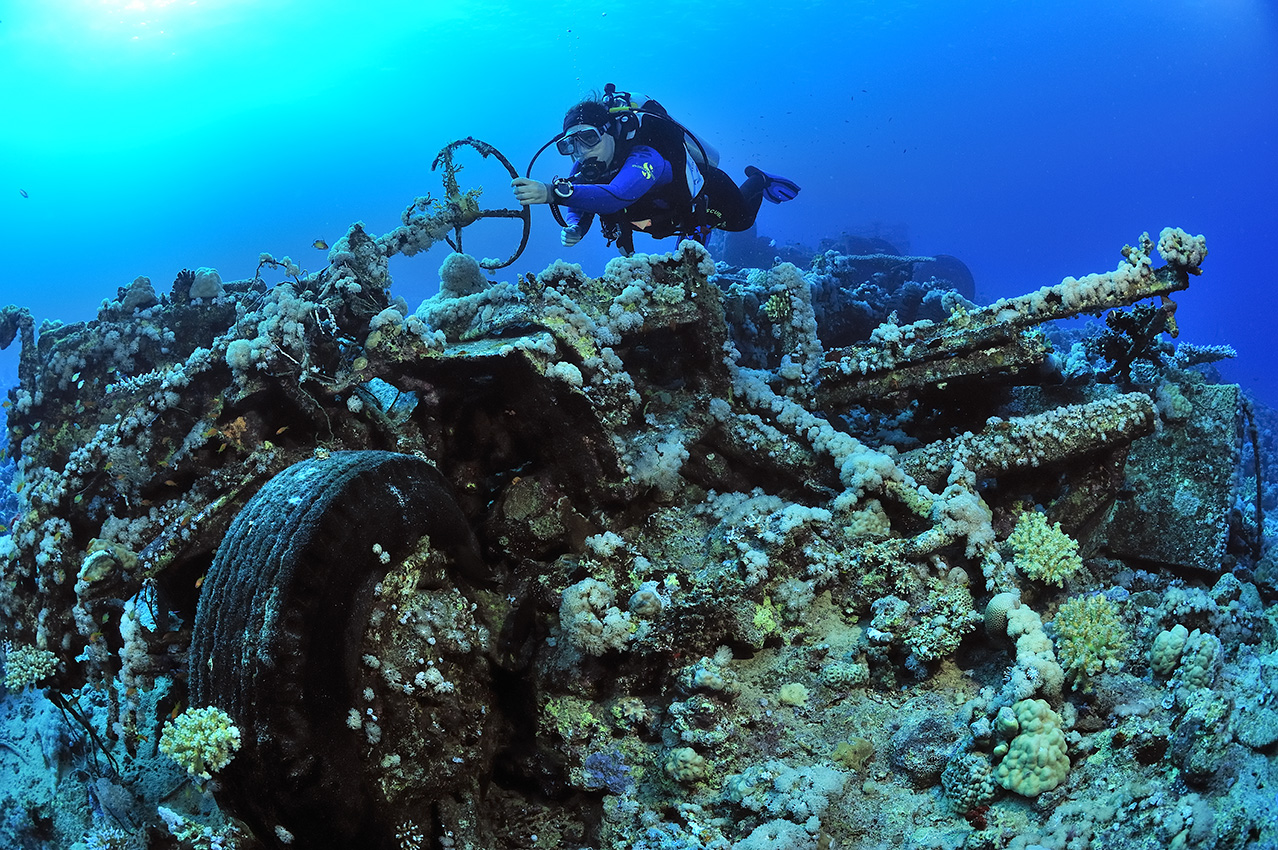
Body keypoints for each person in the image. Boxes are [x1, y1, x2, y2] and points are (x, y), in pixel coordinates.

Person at [511, 88, 800, 256]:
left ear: (609, 132)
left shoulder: (645, 156)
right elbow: (580, 200)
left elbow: (616, 196)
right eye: (570, 144)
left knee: (742, 223)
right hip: (665, 218)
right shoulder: (585, 167)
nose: (581, 150)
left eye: (588, 137)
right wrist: (577, 226)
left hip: (710, 192)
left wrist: (550, 193)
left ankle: (759, 180)